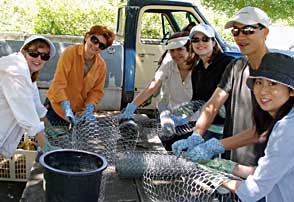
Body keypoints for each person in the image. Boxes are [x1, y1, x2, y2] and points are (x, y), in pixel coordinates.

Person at [172, 7, 271, 166]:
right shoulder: (236, 67)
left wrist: (215, 145)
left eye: (248, 30)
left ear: (265, 32)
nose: (241, 36)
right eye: (236, 31)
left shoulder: (276, 70)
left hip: (264, 160)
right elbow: (212, 105)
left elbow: (264, 127)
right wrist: (196, 136)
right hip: (234, 153)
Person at [220, 53, 294, 202]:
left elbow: (253, 190)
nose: (263, 91)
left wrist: (216, 179)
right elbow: (271, 171)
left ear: (291, 90)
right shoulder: (281, 120)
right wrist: (229, 167)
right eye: (259, 82)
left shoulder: (287, 130)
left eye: (273, 84)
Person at [119, 31, 193, 148]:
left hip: (194, 122)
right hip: (172, 116)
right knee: (170, 150)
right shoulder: (169, 64)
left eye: (179, 49)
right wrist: (131, 107)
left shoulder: (200, 69)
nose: (175, 54)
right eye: (172, 50)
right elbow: (153, 86)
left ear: (189, 49)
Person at [172, 23, 234, 140]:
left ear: (213, 42)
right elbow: (197, 100)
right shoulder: (197, 69)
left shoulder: (229, 63)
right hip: (209, 126)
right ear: (191, 45)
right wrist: (179, 115)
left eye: (205, 39)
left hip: (229, 129)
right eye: (195, 40)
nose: (200, 43)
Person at [0, 35, 58, 157]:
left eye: (44, 56)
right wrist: (46, 146)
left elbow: (36, 104)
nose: (38, 59)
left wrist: (49, 128)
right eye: (34, 53)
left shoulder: (27, 72)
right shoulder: (15, 71)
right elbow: (26, 113)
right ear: (24, 51)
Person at [45, 25, 115, 126]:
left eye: (101, 45)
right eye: (94, 40)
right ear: (87, 37)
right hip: (56, 108)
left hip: (78, 114)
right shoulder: (70, 53)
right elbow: (59, 83)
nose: (96, 46)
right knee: (49, 139)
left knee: (70, 141)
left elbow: (96, 91)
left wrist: (89, 107)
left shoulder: (101, 65)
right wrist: (66, 106)